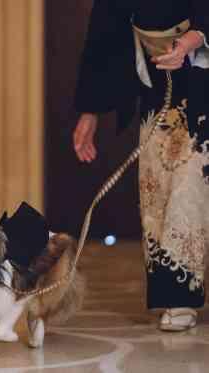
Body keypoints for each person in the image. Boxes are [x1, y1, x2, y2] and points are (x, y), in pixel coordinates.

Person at [74, 0, 209, 331]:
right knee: (158, 189)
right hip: (158, 86)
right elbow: (102, 35)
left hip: (202, 82)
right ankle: (177, 294)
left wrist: (194, 37)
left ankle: (182, 295)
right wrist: (89, 111)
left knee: (190, 184)